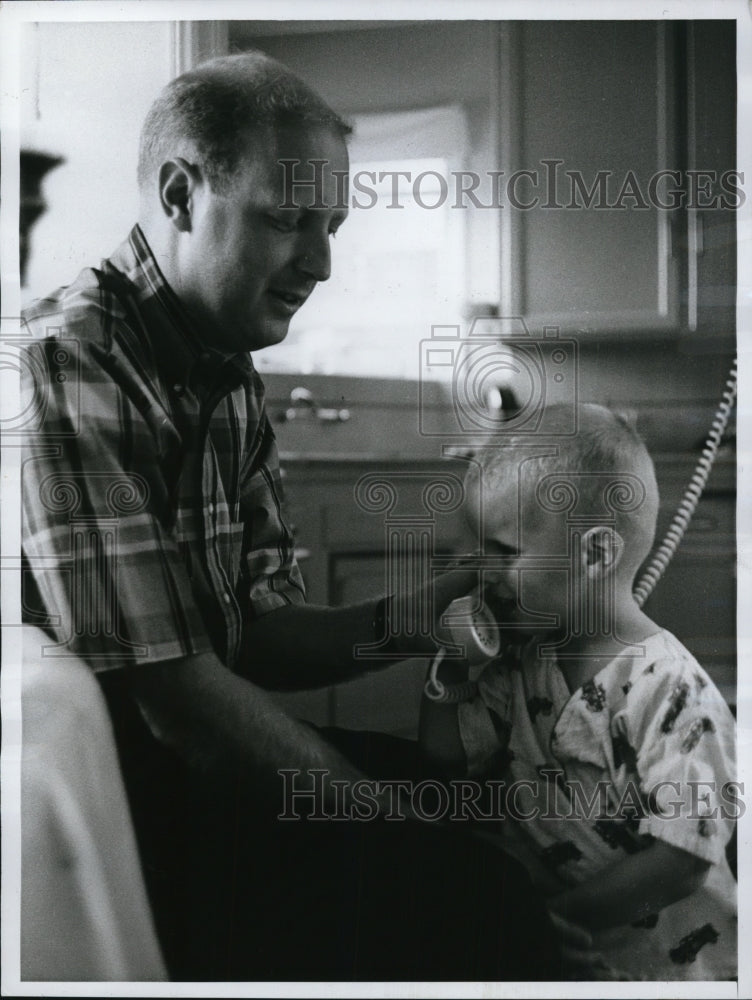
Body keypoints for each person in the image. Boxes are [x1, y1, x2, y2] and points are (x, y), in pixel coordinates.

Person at [20, 51, 558, 981]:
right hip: (126, 804)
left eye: (332, 226)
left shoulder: (227, 372)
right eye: (288, 219)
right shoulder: (67, 363)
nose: (320, 261)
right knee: (477, 891)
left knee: (485, 816)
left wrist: (420, 613)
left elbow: (256, 632)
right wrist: (373, 821)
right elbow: (177, 700)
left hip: (193, 771)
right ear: (182, 194)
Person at [419, 403, 738, 981]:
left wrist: (546, 922)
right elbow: (447, 760)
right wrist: (450, 672)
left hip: (665, 968)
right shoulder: (521, 660)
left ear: (595, 554)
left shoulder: (670, 690)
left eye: (504, 552)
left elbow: (685, 856)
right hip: (565, 956)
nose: (480, 571)